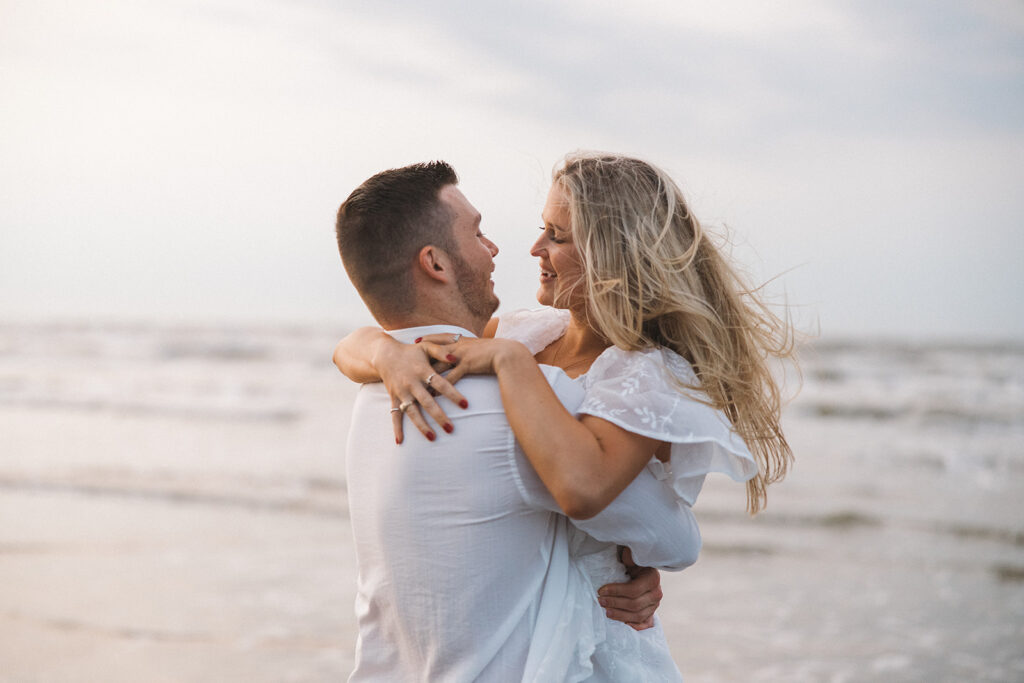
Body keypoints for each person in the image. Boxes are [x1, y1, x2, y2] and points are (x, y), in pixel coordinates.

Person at [334, 152, 796, 680]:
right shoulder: (526, 334)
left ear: (611, 254)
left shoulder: (644, 374)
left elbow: (632, 515)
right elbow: (362, 343)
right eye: (543, 229)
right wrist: (382, 351)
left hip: (594, 638)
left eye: (557, 235)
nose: (534, 248)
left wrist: (511, 365)